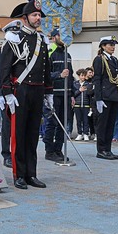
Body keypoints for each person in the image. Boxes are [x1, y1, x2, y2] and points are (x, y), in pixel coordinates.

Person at [0, 0, 53, 190]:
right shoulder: (14, 38)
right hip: (20, 91)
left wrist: (49, 92)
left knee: (32, 135)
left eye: (39, 15)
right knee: (18, 135)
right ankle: (19, 175)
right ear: (25, 17)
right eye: (34, 15)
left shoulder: (41, 40)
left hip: (37, 91)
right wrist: (7, 93)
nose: (38, 18)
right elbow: (4, 68)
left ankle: (31, 174)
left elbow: (45, 68)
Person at [43, 28, 73, 162]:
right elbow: (44, 75)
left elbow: (71, 76)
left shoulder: (67, 54)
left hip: (66, 93)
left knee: (63, 123)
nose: (65, 38)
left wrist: (72, 94)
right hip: (53, 93)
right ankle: (49, 151)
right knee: (52, 122)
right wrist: (59, 75)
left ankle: (58, 149)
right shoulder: (50, 53)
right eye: (62, 35)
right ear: (54, 37)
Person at [91, 36, 118, 160]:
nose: (113, 47)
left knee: (110, 125)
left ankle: (108, 149)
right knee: (102, 125)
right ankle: (101, 150)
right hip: (105, 96)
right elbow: (97, 79)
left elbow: (117, 79)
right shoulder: (99, 59)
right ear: (103, 46)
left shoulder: (113, 59)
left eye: (114, 44)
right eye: (110, 44)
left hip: (114, 96)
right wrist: (98, 98)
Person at [73, 69, 92, 141]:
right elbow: (73, 94)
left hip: (86, 105)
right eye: (81, 75)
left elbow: (90, 95)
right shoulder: (75, 84)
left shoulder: (88, 84)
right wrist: (79, 91)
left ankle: (86, 133)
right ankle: (79, 133)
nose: (83, 77)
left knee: (86, 120)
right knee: (78, 120)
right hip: (77, 105)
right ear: (79, 76)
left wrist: (90, 106)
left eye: (84, 75)